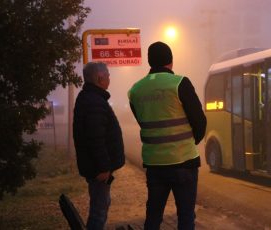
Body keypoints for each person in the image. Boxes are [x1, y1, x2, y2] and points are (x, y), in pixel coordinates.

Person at [128, 41, 207, 230]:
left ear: (150, 62)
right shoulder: (179, 83)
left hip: (154, 163)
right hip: (183, 161)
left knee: (153, 215)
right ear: (170, 61)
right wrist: (189, 141)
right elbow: (199, 121)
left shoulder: (135, 90)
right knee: (186, 216)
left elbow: (143, 121)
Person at [73, 62, 125, 229]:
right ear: (99, 78)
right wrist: (103, 167)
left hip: (96, 167)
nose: (109, 78)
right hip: (98, 169)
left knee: (102, 205)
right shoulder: (94, 101)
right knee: (99, 211)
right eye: (108, 75)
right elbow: (95, 138)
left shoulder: (90, 98)